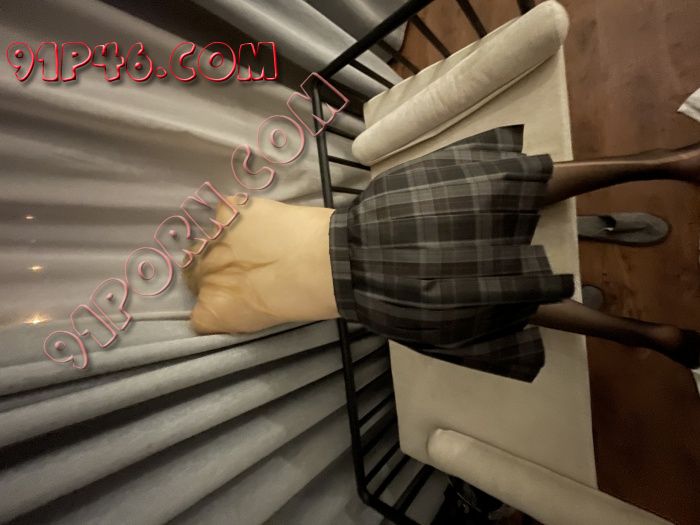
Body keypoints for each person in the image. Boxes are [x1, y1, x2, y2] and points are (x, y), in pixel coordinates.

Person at [183, 125, 699, 383]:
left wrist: (196, 279)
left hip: (392, 302)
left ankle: (654, 336)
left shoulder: (216, 309)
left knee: (501, 301)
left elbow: (202, 323)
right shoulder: (232, 209)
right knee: (507, 181)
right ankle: (670, 162)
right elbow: (221, 211)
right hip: (385, 217)